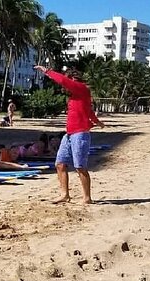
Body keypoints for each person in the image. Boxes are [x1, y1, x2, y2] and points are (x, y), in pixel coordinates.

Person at [34, 65, 105, 204]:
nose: (65, 88)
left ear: (73, 79)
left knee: (80, 166)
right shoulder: (75, 96)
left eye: (68, 82)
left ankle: (87, 198)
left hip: (80, 134)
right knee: (60, 164)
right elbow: (88, 111)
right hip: (69, 134)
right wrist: (98, 122)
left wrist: (47, 72)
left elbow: (63, 81)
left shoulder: (81, 88)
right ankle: (64, 194)